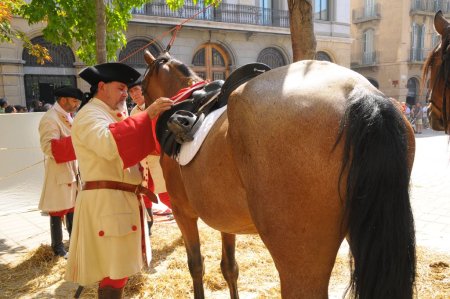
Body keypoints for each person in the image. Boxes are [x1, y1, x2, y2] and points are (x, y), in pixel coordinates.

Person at [65, 62, 173, 298]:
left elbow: (135, 145)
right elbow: (109, 144)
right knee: (114, 271)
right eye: (121, 88)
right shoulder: (89, 114)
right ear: (102, 86)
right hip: (107, 202)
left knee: (117, 269)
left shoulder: (107, 112)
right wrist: (148, 114)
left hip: (118, 201)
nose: (126, 93)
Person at [38, 86, 83, 258]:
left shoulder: (66, 116)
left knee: (72, 207)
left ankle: (73, 241)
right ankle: (57, 247)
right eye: (74, 101)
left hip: (72, 167)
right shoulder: (50, 118)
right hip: (59, 169)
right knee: (57, 210)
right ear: (63, 100)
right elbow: (48, 147)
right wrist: (79, 142)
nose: (77, 105)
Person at [128, 80, 173, 235]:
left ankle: (185, 219)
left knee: (165, 193)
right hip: (143, 159)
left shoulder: (156, 106)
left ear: (143, 90)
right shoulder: (133, 112)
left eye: (136, 90)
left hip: (159, 157)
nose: (134, 94)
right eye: (131, 92)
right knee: (146, 192)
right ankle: (148, 228)